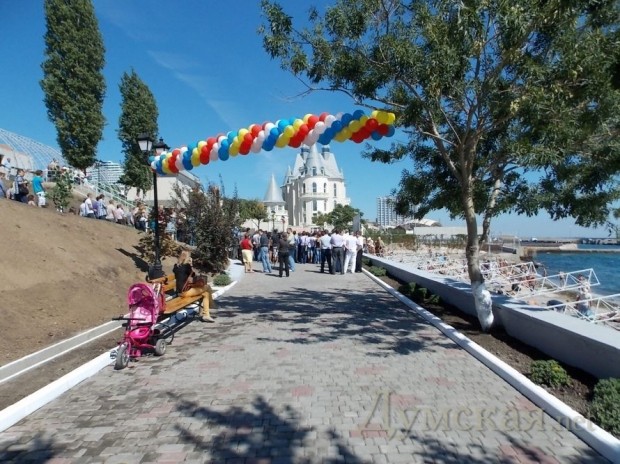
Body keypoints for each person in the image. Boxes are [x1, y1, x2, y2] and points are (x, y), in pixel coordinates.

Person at [172, 250, 215, 322]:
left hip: (179, 292)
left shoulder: (176, 266)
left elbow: (179, 273)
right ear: (187, 257)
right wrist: (191, 264)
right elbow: (193, 275)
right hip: (185, 292)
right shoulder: (187, 266)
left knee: (206, 293)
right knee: (207, 287)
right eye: (189, 257)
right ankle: (211, 305)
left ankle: (206, 315)